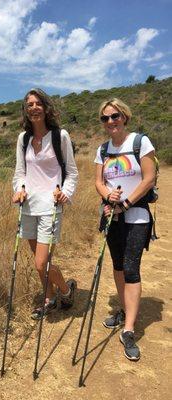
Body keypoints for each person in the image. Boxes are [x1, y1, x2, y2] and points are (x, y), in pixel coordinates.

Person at [94, 98, 156, 361]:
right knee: (118, 266)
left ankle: (128, 328)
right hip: (112, 215)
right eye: (105, 118)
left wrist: (127, 202)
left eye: (115, 116)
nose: (111, 122)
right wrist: (109, 198)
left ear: (125, 116)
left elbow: (149, 177)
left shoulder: (140, 142)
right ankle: (122, 308)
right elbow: (98, 181)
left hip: (137, 215)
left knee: (131, 268)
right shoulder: (103, 149)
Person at [12, 88, 78, 320]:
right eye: (29, 104)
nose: (34, 107)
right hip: (28, 206)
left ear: (46, 107)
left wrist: (65, 193)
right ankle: (49, 299)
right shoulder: (23, 139)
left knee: (41, 264)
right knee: (41, 261)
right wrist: (19, 189)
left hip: (50, 207)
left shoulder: (61, 136)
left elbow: (71, 173)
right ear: (25, 110)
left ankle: (67, 290)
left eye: (38, 103)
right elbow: (20, 173)